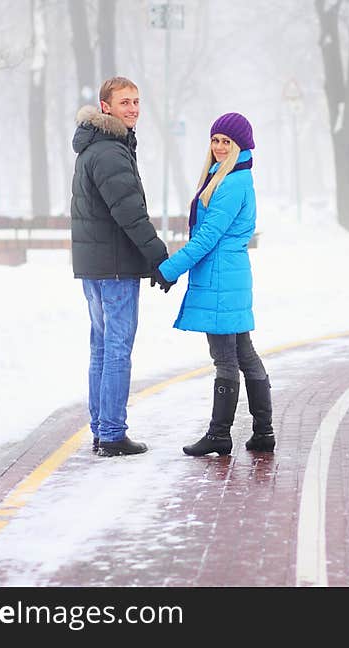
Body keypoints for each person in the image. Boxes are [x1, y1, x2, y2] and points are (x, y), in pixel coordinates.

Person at [153, 113, 275, 457]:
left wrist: (169, 269)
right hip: (227, 274)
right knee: (244, 353)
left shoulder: (231, 183)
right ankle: (263, 431)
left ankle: (220, 434)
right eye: (215, 140)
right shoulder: (229, 178)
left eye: (227, 142)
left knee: (225, 357)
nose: (219, 147)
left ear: (241, 146)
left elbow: (208, 237)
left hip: (221, 276)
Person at [71, 76, 171, 457]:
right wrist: (158, 257)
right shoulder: (111, 152)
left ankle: (101, 428)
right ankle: (111, 433)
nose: (133, 108)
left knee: (101, 347)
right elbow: (129, 213)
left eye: (136, 101)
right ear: (105, 107)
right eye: (125, 102)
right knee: (115, 349)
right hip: (114, 268)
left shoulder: (93, 148)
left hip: (95, 267)